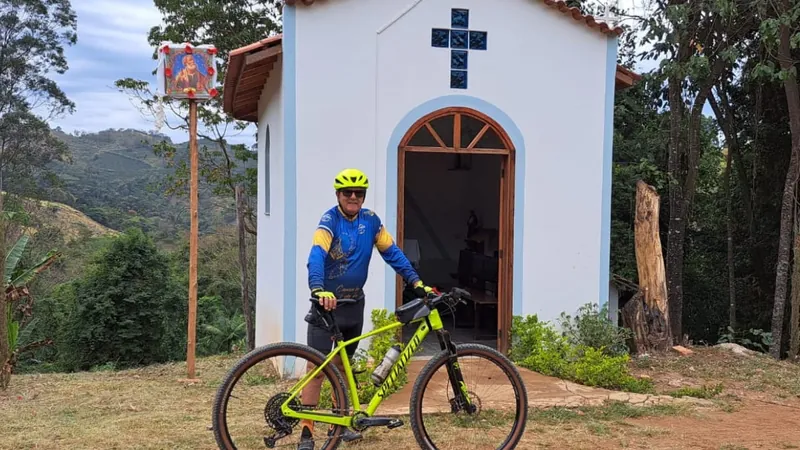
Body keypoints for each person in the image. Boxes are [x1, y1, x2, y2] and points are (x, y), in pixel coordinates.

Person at [298, 168, 432, 449]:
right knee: (317, 368)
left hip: (353, 306)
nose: (353, 197)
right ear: (338, 195)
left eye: (359, 193)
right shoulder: (329, 221)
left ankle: (342, 424)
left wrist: (416, 281)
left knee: (343, 368)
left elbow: (392, 253)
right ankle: (307, 432)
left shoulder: (371, 221)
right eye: (347, 192)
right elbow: (316, 255)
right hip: (327, 305)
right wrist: (318, 289)